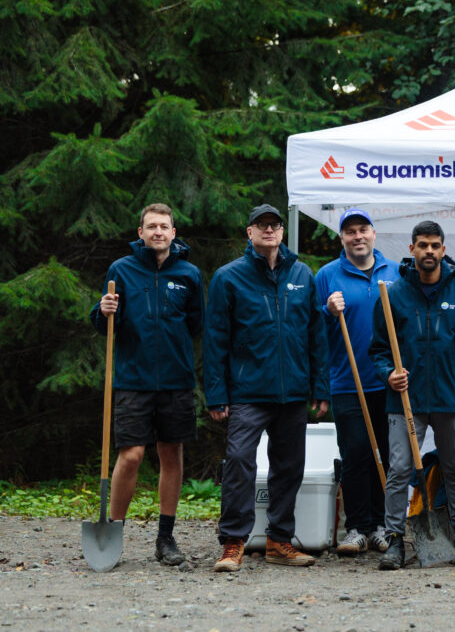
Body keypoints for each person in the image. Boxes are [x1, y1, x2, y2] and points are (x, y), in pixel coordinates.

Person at [204, 204, 330, 572]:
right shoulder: (229, 277)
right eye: (261, 225)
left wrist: (318, 388)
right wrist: (216, 393)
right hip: (247, 391)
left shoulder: (303, 274)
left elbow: (316, 336)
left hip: (292, 392)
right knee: (240, 461)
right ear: (250, 232)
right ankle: (232, 542)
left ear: (281, 231)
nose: (270, 230)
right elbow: (215, 341)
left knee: (289, 467)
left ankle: (279, 541)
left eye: (275, 224)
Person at [89, 203, 204, 566]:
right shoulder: (121, 270)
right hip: (132, 378)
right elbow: (105, 321)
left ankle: (165, 538)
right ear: (140, 233)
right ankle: (114, 532)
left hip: (175, 380)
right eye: (151, 226)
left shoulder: (189, 274)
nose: (158, 231)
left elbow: (197, 325)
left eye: (164, 226)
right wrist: (102, 309)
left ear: (173, 233)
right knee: (132, 454)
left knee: (172, 454)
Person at [369, 220, 455, 570]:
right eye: (423, 245)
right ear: (412, 250)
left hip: (451, 398)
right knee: (400, 469)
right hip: (405, 400)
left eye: (435, 245)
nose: (430, 251)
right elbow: (378, 349)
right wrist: (388, 373)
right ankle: (394, 542)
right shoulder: (392, 295)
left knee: (454, 469)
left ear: (444, 250)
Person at [314, 208, 400, 556]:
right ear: (342, 239)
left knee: (388, 454)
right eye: (350, 232)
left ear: (374, 234)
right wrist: (327, 311)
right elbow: (314, 333)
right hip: (347, 381)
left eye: (363, 229)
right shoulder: (327, 276)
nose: (358, 236)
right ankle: (356, 527)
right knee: (355, 454)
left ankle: (381, 525)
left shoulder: (394, 272)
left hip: (389, 382)